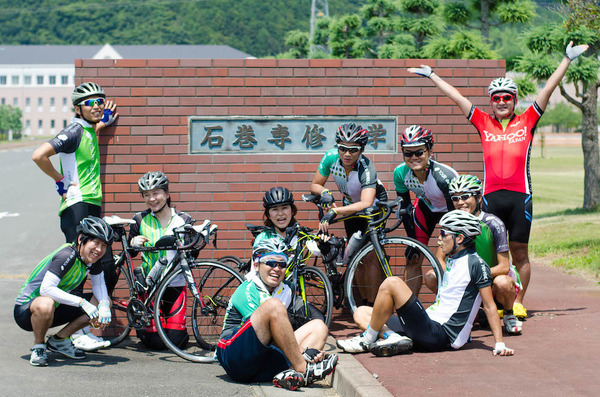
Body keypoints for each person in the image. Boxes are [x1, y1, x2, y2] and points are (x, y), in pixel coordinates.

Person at [408, 41, 588, 319]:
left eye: (507, 97)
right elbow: (458, 99)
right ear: (491, 102)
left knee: (519, 252)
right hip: (490, 197)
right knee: (483, 252)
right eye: (496, 98)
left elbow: (548, 90)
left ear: (515, 100)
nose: (502, 102)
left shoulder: (527, 120)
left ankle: (518, 301)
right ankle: (483, 301)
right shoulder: (483, 122)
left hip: (520, 197)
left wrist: (566, 59)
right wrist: (433, 76)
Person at [336, 210, 514, 357]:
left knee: (392, 283)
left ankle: (367, 341)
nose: (439, 238)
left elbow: (490, 306)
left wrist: (499, 343)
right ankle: (395, 338)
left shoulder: (476, 263)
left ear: (459, 238)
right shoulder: (453, 259)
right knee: (361, 312)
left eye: (444, 234)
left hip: (441, 334)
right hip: (428, 325)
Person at [31, 82, 119, 350]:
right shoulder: (73, 130)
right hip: (77, 205)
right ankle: (73, 334)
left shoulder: (88, 130)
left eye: (100, 101)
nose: (97, 106)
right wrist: (59, 180)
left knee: (103, 269)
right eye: (90, 103)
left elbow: (87, 139)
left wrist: (103, 123)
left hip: (90, 205)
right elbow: (39, 155)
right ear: (78, 108)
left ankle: (67, 336)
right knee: (87, 268)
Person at [216, 239, 338, 391]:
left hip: (262, 362)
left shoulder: (286, 289)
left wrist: (313, 351)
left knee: (319, 327)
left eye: (282, 264)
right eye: (271, 263)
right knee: (274, 306)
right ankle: (303, 369)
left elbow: (312, 317)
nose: (277, 268)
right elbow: (264, 333)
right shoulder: (246, 289)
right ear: (256, 265)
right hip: (236, 359)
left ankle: (291, 376)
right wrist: (303, 351)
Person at [427, 174, 523, 334]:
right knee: (432, 277)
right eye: (455, 198)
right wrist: (454, 277)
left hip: (491, 280)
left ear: (478, 197)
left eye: (465, 196)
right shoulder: (450, 222)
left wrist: (473, 275)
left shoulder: (493, 223)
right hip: (463, 281)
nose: (460, 202)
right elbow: (439, 259)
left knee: (503, 282)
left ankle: (508, 314)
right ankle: (472, 312)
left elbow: (504, 267)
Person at [14, 217, 114, 366]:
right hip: (27, 311)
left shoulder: (92, 260)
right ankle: (39, 346)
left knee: (103, 300)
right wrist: (82, 303)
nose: (99, 249)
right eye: (96, 243)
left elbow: (99, 285)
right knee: (46, 302)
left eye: (104, 245)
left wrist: (104, 306)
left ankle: (59, 340)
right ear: (81, 239)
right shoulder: (67, 255)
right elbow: (46, 289)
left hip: (55, 307)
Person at [310, 122, 388, 303]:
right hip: (350, 207)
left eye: (353, 150)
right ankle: (361, 303)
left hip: (373, 209)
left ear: (361, 150)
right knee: (356, 258)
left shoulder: (367, 168)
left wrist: (335, 211)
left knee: (371, 257)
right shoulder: (330, 158)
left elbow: (366, 202)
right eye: (342, 148)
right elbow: (315, 184)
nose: (347, 154)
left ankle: (373, 304)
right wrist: (325, 193)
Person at [128, 171, 196, 350]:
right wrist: (133, 243)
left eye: (156, 193)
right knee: (154, 342)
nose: (152, 199)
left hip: (175, 284)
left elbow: (192, 255)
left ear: (166, 194)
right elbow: (131, 253)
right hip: (149, 285)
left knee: (178, 341)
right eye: (147, 195)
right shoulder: (139, 219)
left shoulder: (184, 219)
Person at [393, 125, 457, 295]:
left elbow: (457, 212)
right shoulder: (400, 173)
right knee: (413, 258)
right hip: (426, 209)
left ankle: (447, 305)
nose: (413, 157)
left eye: (419, 152)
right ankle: (409, 309)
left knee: (441, 259)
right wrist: (412, 241)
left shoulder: (443, 176)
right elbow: (406, 209)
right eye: (408, 153)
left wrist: (449, 238)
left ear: (429, 151)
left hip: (450, 212)